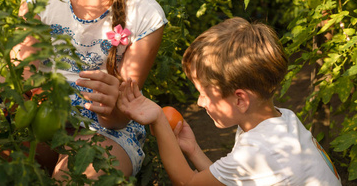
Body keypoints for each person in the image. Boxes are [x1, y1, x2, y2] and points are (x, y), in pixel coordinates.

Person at [12, 0, 167, 181]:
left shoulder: (144, 14)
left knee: (73, 179)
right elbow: (22, 61)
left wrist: (111, 105)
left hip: (107, 128)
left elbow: (123, 115)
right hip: (44, 109)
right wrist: (23, 65)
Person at [118, 17, 342, 185]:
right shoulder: (283, 121)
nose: (200, 102)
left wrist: (158, 119)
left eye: (204, 93)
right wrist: (193, 150)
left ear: (240, 100)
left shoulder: (258, 151)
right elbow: (227, 179)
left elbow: (188, 182)